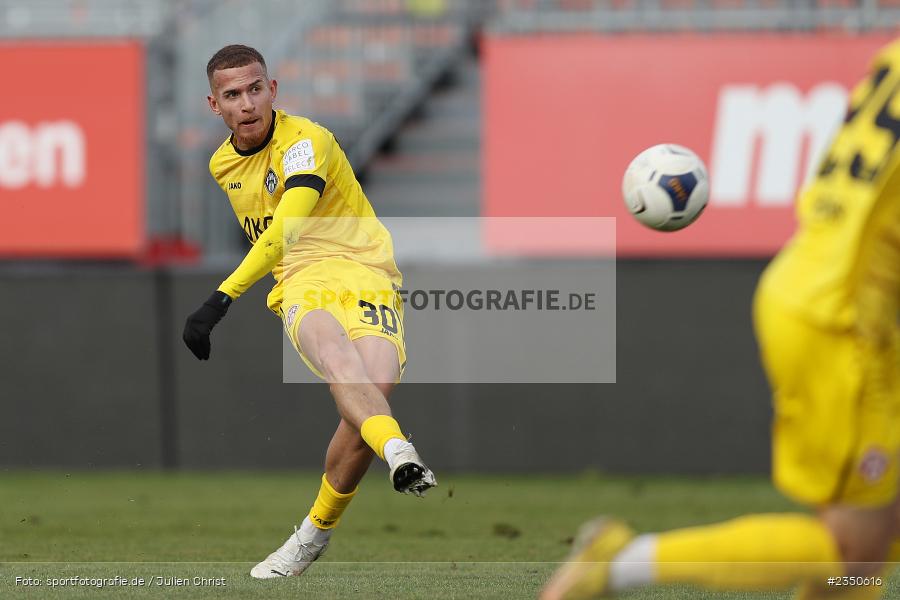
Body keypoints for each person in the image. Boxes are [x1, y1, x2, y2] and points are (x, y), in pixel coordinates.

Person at [541, 39, 900, 600]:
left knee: (871, 542)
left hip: (826, 293)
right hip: (842, 320)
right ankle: (620, 562)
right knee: (852, 558)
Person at [182, 44, 436, 579]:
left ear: (273, 89)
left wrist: (220, 298)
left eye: (256, 89)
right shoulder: (221, 164)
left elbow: (287, 226)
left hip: (367, 271)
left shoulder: (307, 142)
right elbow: (287, 247)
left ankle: (311, 535)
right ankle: (399, 451)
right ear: (214, 105)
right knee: (346, 369)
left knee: (373, 390)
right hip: (302, 280)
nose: (247, 103)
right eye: (233, 95)